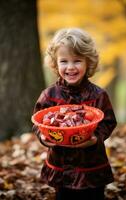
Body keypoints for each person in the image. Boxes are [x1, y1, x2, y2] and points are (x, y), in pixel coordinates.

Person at [32, 27, 117, 200]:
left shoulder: (98, 95)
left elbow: (108, 122)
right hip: (61, 165)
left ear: (88, 62)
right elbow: (38, 122)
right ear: (55, 64)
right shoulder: (49, 95)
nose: (70, 67)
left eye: (77, 61)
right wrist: (43, 137)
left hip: (91, 166)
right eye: (64, 61)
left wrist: (95, 138)